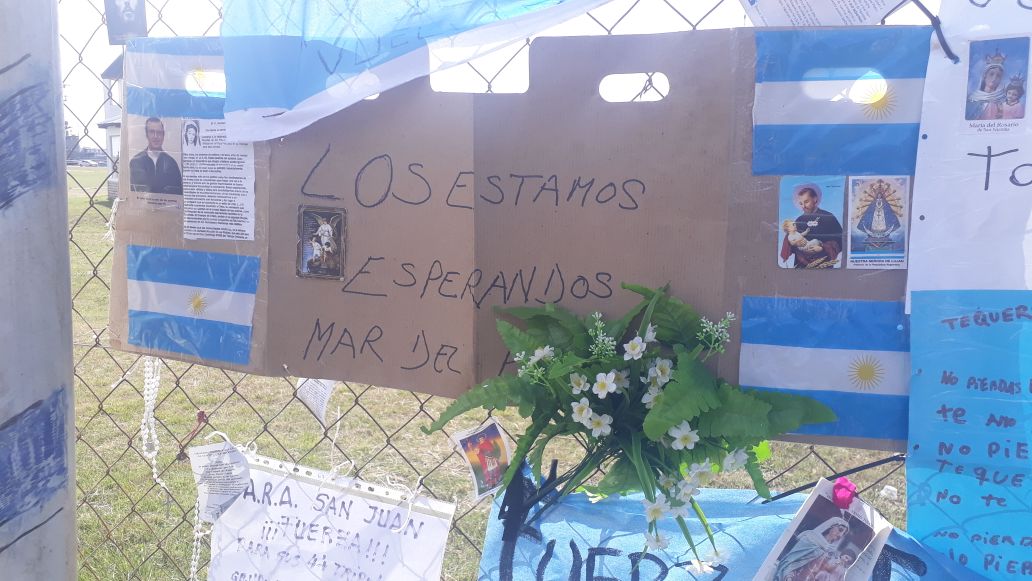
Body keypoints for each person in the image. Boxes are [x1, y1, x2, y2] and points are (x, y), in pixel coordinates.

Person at [780, 184, 843, 269]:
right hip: (801, 266)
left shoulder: (828, 217)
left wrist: (822, 248)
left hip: (823, 265)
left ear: (815, 199)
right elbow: (790, 243)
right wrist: (795, 244)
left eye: (806, 202)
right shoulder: (799, 220)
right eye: (801, 203)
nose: (803, 206)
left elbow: (841, 240)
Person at [773, 517, 850, 581]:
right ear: (831, 526)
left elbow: (823, 569)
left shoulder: (830, 551)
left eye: (843, 534)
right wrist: (789, 577)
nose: (840, 535)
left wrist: (838, 563)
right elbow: (790, 562)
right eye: (840, 530)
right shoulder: (810, 538)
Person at [129, 117, 182, 194]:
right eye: (152, 132)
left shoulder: (171, 163)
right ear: (147, 134)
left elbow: (178, 193)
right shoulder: (136, 162)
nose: (155, 136)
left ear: (163, 135)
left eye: (159, 132)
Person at [966, 51, 1007, 121]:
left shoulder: (1003, 100)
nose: (994, 78)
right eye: (991, 74)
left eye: (998, 76)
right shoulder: (973, 98)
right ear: (985, 75)